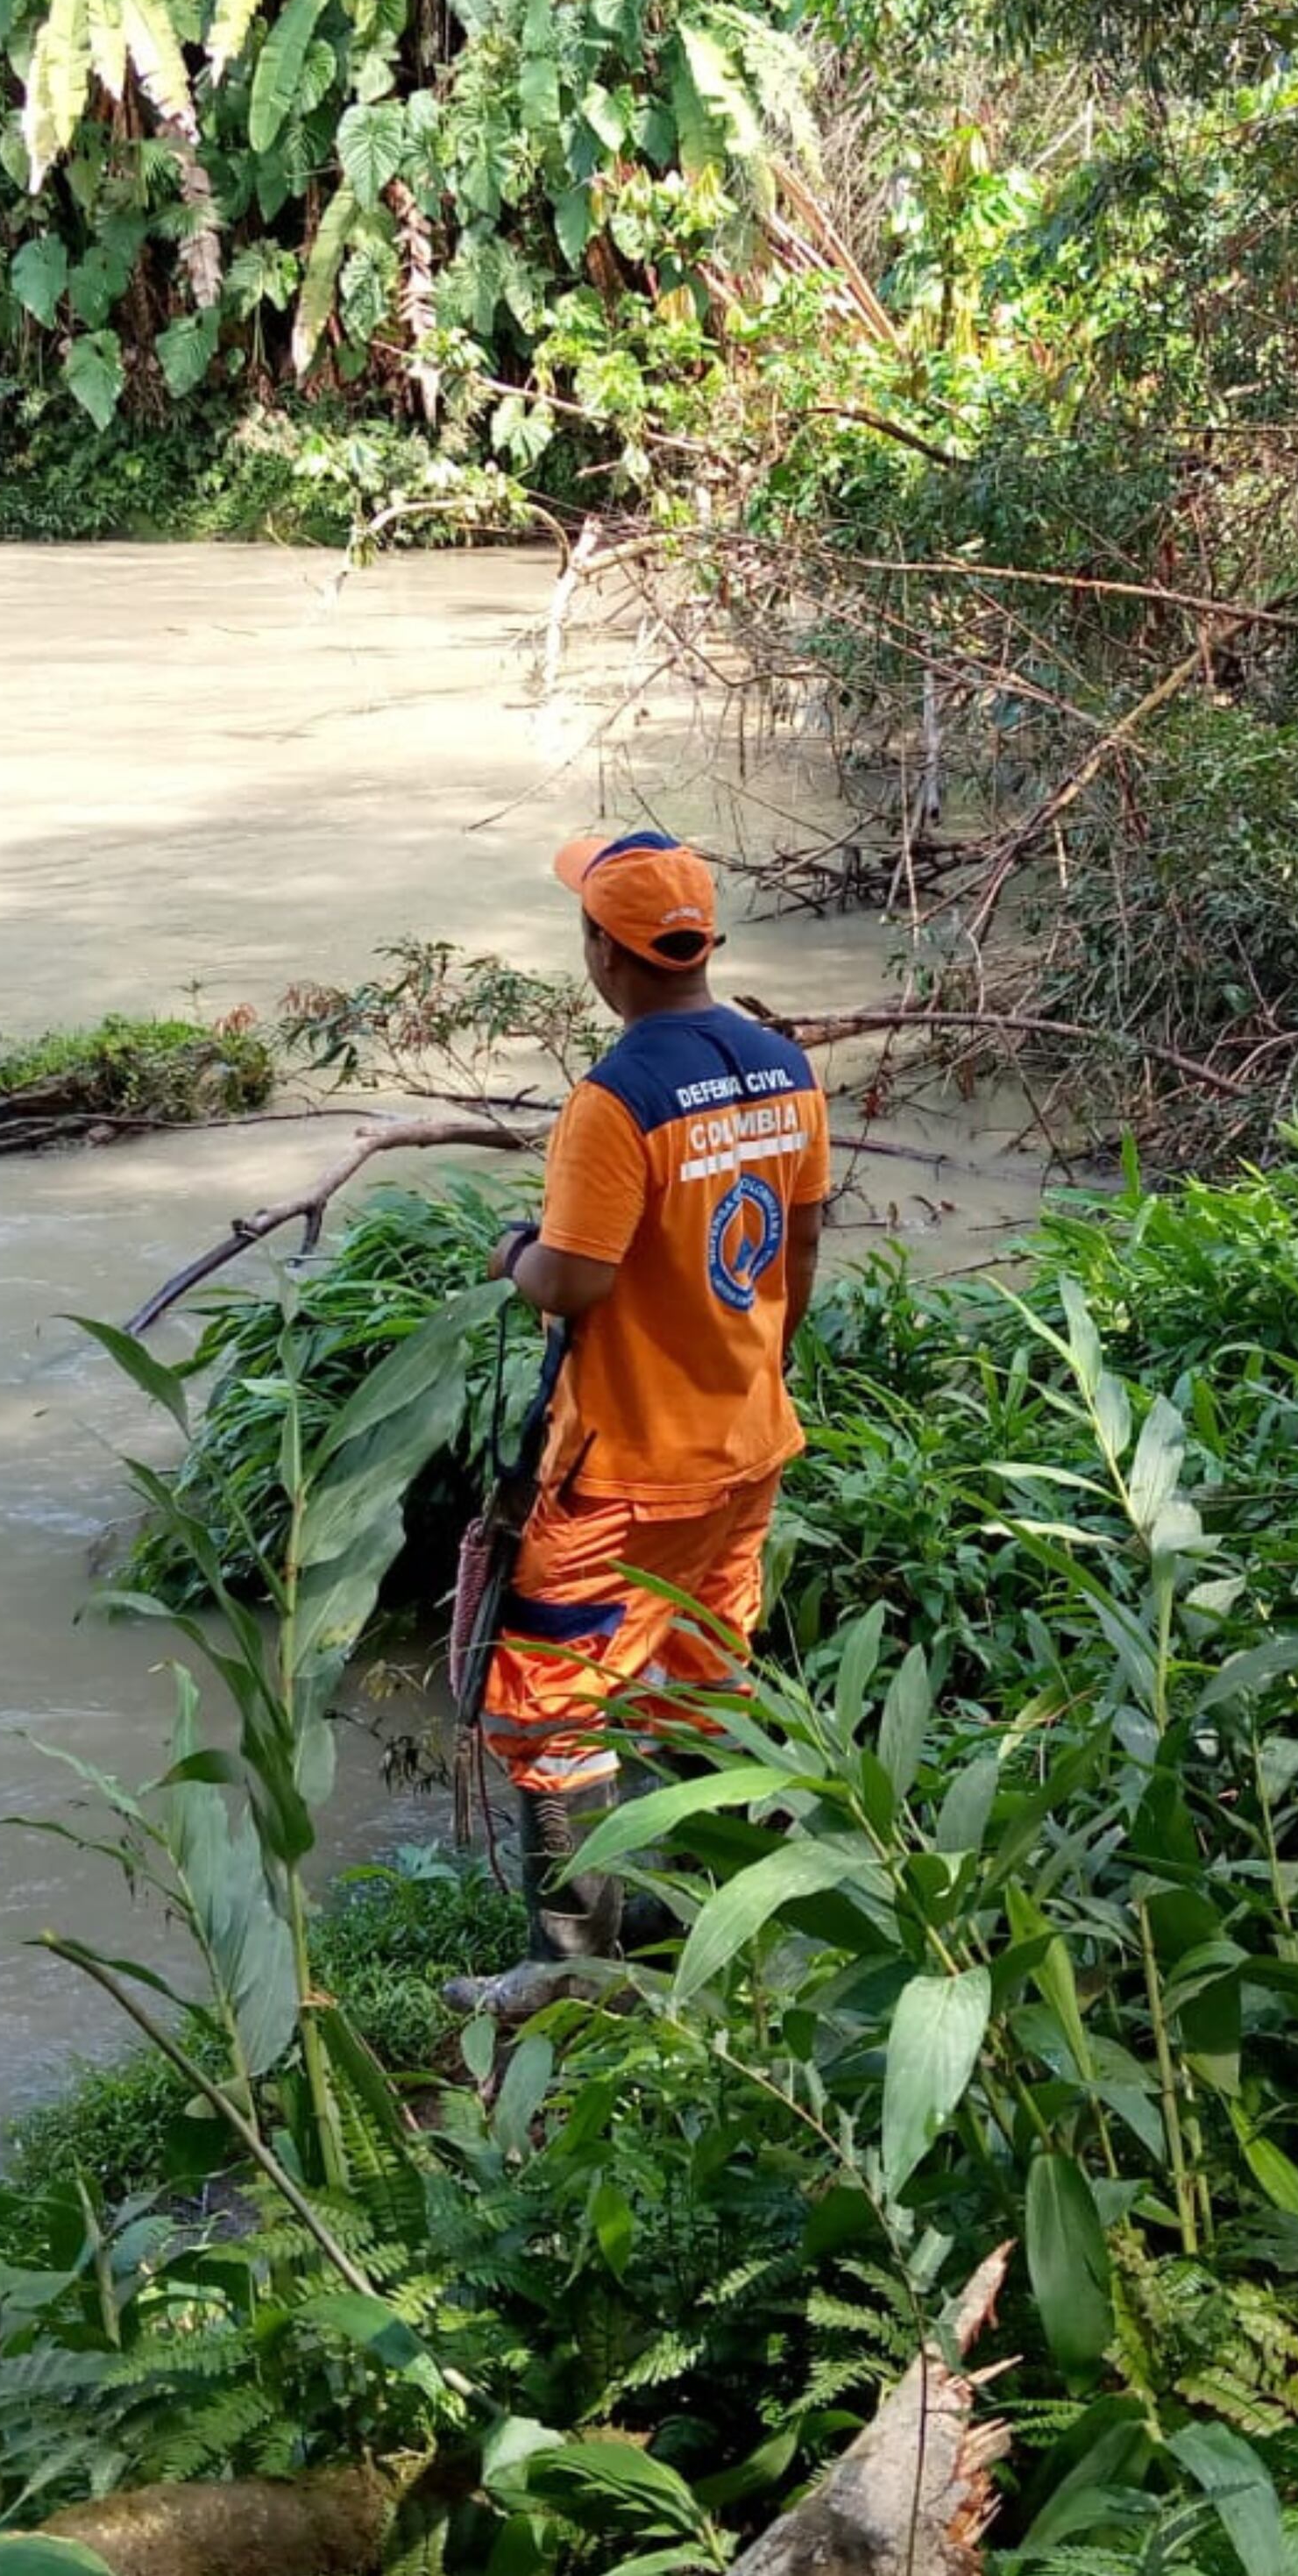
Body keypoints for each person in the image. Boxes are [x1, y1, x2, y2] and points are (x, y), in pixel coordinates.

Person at [471, 831, 834, 1962]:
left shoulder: (615, 1098)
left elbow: (574, 1280)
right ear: (702, 942)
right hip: (747, 1441)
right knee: (703, 1672)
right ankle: (706, 1926)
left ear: (602, 950)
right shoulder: (784, 1067)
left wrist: (512, 1252)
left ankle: (572, 1967)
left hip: (622, 1470)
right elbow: (799, 1249)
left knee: (551, 1701)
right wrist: (755, 1369)